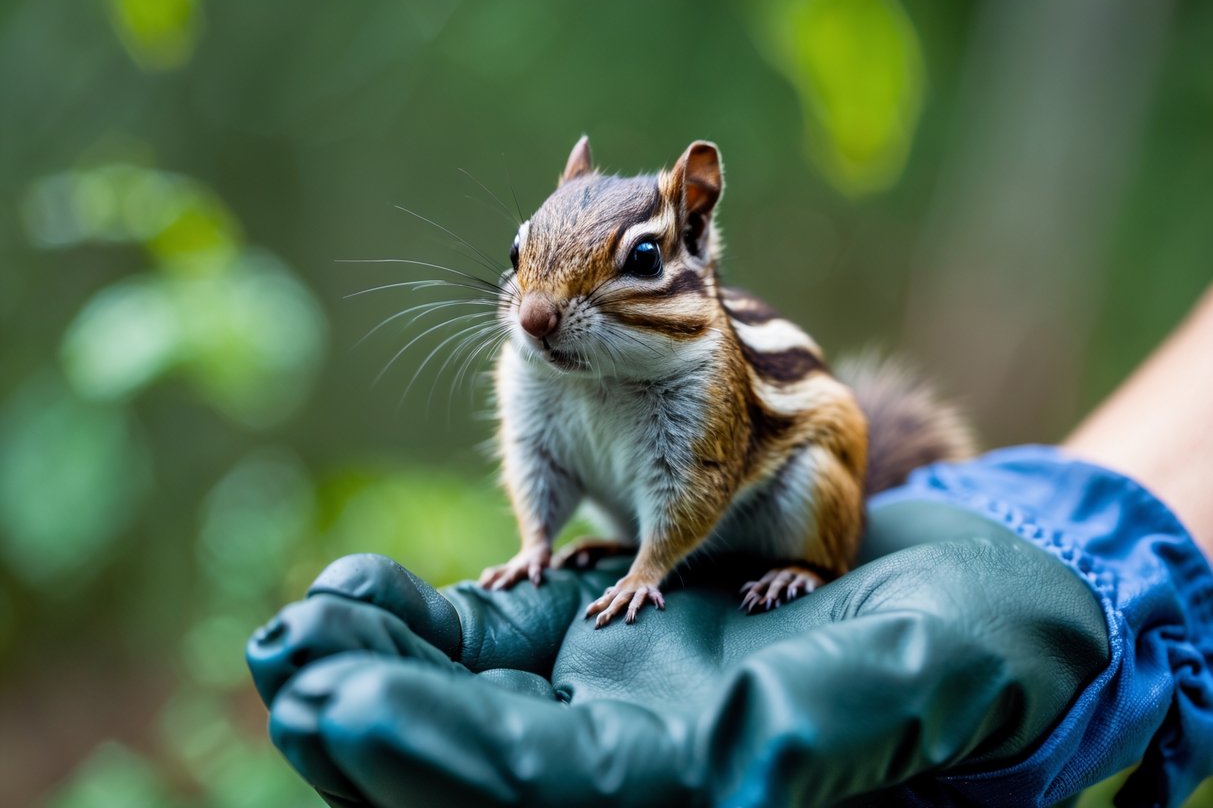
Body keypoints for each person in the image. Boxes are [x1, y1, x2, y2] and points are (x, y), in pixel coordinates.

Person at [247, 288, 1213, 808]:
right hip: (676, 539)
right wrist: (540, 542)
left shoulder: (699, 367)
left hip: (778, 506)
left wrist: (1071, 562)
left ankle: (807, 556)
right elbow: (538, 457)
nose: (539, 311)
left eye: (619, 265)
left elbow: (693, 481)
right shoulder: (534, 349)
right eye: (524, 269)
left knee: (777, 470)